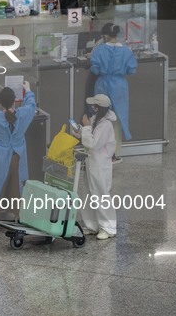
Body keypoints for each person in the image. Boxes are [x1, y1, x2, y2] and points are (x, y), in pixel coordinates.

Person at [0, 81, 35, 229]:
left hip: (2, 155)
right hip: (18, 155)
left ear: (0, 102)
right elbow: (31, 105)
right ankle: (18, 216)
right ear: (14, 101)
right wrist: (27, 90)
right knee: (17, 185)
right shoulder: (22, 115)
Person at [90, 23, 137, 164]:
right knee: (117, 120)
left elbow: (95, 69)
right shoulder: (126, 51)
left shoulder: (99, 50)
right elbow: (132, 69)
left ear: (105, 35)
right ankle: (114, 153)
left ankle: (99, 150)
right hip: (119, 86)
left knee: (101, 118)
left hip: (102, 85)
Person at [74, 94, 117, 240]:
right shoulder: (95, 120)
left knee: (101, 194)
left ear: (98, 107)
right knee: (88, 193)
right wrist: (80, 130)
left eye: (94, 105)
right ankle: (93, 225)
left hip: (100, 165)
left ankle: (108, 227)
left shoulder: (106, 125)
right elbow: (88, 135)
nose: (92, 107)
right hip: (91, 162)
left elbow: (93, 143)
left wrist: (85, 127)